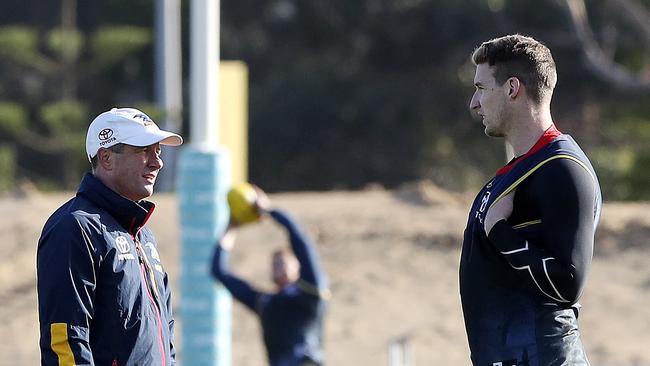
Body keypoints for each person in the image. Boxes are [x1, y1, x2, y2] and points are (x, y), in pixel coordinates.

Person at [460, 34, 602, 365]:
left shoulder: (563, 167)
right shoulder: (517, 170)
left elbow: (568, 285)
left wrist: (500, 232)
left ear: (512, 88)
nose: (473, 103)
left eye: (481, 89)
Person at [37, 108, 183, 365]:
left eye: (157, 151)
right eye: (143, 150)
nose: (157, 162)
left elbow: (164, 332)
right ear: (106, 158)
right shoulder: (74, 227)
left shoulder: (144, 235)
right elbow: (65, 339)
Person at [211, 187, 329, 366]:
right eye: (274, 263)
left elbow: (302, 242)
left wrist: (269, 210)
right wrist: (231, 227)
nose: (277, 266)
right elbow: (219, 272)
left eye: (283, 261)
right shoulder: (266, 303)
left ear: (298, 266)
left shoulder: (311, 293)